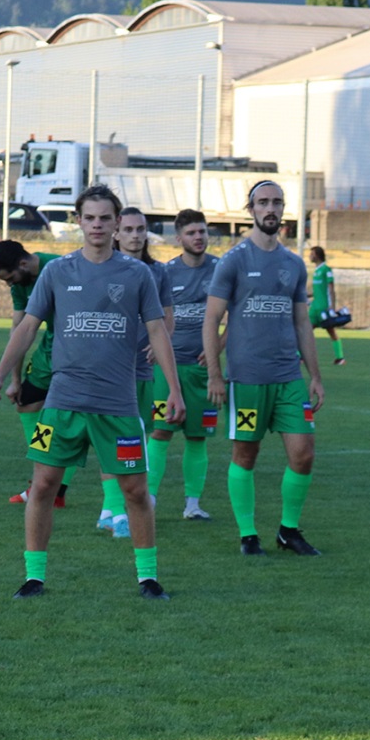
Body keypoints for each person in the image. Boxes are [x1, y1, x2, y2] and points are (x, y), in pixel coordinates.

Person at [0, 183, 183, 599]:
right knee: (43, 485)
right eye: (89, 218)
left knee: (135, 491)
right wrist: (0, 376)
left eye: (105, 218)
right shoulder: (58, 271)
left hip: (118, 405)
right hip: (63, 403)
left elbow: (157, 331)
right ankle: (34, 577)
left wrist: (175, 390)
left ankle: (148, 578)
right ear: (78, 221)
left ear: (116, 223)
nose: (97, 225)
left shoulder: (137, 274)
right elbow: (27, 327)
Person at [204, 180, 325, 557]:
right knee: (245, 455)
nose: (270, 208)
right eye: (263, 202)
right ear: (251, 209)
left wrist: (315, 376)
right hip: (248, 379)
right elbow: (212, 319)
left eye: (276, 202)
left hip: (288, 377)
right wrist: (215, 374)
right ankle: (248, 534)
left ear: (283, 209)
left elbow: (302, 323)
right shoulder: (233, 261)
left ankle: (288, 530)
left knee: (303, 454)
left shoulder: (293, 264)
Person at [94, 206, 172, 538]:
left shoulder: (158, 272)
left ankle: (118, 508)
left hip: (141, 370)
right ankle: (115, 511)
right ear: (116, 232)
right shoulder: (102, 269)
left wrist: (158, 342)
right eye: (128, 229)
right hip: (109, 370)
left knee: (135, 439)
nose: (135, 235)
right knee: (112, 439)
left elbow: (167, 318)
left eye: (140, 229)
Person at [0, 238, 73, 508]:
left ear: (23, 263)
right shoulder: (20, 285)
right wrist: (14, 380)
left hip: (75, 350)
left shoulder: (59, 267)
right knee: (27, 404)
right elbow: (19, 329)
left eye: (10, 278)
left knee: (75, 419)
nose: (9, 284)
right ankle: (47, 484)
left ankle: (53, 487)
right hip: (49, 351)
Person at [148, 209, 220, 519]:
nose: (198, 237)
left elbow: (236, 314)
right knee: (160, 432)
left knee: (197, 436)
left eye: (202, 231)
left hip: (203, 371)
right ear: (178, 238)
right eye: (191, 233)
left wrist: (217, 347)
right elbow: (153, 317)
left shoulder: (220, 269)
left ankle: (193, 505)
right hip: (168, 369)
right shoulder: (165, 273)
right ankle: (148, 499)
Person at [308, 246, 345, 365]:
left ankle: (340, 357)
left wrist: (332, 307)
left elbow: (331, 289)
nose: (309, 256)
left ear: (317, 255)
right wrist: (306, 295)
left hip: (323, 308)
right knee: (305, 331)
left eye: (311, 254)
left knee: (331, 332)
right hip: (314, 308)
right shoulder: (316, 271)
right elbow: (318, 290)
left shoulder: (326, 270)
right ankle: (299, 356)